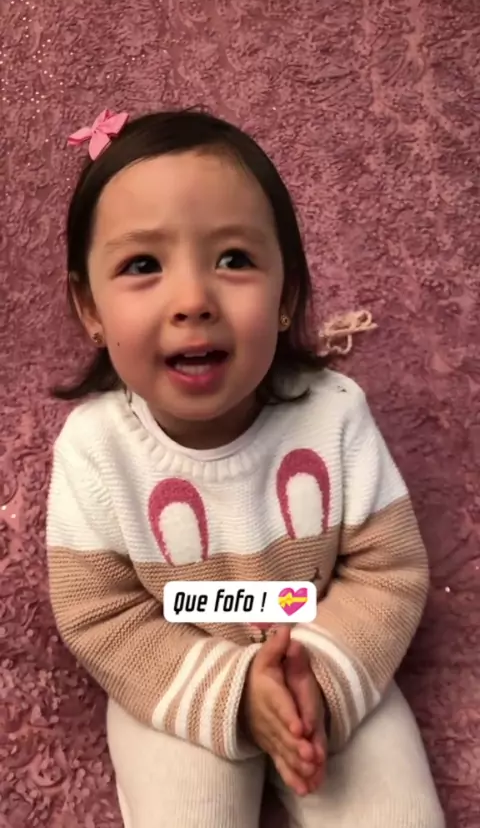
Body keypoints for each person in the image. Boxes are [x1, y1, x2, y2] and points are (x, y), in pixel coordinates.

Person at [46, 107, 445, 828]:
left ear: (286, 294)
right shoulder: (95, 449)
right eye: (143, 266)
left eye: (233, 259)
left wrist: (319, 678)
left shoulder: (334, 416)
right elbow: (102, 614)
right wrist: (229, 691)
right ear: (89, 307)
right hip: (176, 666)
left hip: (322, 643)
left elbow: (388, 572)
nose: (194, 301)